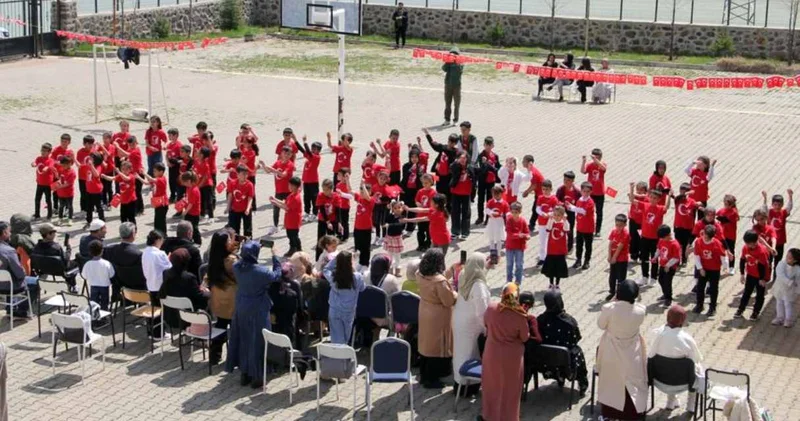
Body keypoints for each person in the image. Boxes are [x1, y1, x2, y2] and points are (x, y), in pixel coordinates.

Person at [226, 240, 282, 388]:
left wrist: (253, 248)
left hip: (241, 307)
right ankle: (257, 375)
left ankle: (245, 373)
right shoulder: (261, 272)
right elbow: (277, 275)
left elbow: (241, 260)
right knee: (258, 341)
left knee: (244, 338)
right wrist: (275, 256)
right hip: (258, 309)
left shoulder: (237, 267)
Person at [596, 279, 648, 420]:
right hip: (632, 350)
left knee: (611, 381)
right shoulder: (640, 310)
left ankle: (609, 415)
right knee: (632, 381)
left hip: (612, 350)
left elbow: (601, 325)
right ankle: (633, 412)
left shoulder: (609, 308)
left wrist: (612, 302)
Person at [480, 283, 531, 421]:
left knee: (491, 385)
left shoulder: (491, 308)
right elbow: (524, 337)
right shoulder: (519, 315)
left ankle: (489, 415)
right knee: (510, 389)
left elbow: (485, 323)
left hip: (492, 353)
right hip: (512, 357)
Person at [648, 304, 704, 412]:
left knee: (669, 365)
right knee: (696, 368)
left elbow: (650, 356)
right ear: (683, 321)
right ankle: (691, 405)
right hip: (684, 382)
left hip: (660, 381)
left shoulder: (658, 334)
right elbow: (696, 359)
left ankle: (671, 402)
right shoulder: (687, 339)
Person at [416, 248, 457, 388]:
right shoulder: (440, 282)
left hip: (425, 311)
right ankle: (431, 379)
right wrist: (455, 294)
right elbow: (448, 301)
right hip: (438, 316)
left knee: (426, 344)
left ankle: (424, 374)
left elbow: (436, 278)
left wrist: (451, 270)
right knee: (436, 346)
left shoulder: (420, 274)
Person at [452, 252, 491, 397]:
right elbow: (482, 311)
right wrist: (486, 327)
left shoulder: (464, 274)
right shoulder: (478, 285)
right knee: (471, 354)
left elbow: (477, 271)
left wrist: (487, 267)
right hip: (472, 323)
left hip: (459, 319)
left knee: (460, 353)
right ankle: (469, 386)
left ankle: (459, 383)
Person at [537, 289, 589, 394]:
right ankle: (582, 382)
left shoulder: (540, 320)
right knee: (577, 350)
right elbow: (576, 338)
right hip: (566, 361)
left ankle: (558, 377)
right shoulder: (568, 321)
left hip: (545, 361)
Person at [206, 230, 240, 364]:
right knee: (235, 331)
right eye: (229, 240)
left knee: (220, 327)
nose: (232, 242)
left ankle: (214, 356)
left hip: (218, 301)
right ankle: (234, 358)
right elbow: (240, 275)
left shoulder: (213, 258)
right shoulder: (231, 260)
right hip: (232, 302)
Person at [160, 248, 208, 332]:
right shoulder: (189, 277)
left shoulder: (166, 273)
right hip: (188, 317)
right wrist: (207, 292)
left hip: (171, 315)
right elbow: (198, 296)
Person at [323, 251, 366, 344]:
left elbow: (326, 269)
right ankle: (343, 351)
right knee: (346, 337)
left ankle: (337, 351)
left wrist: (337, 259)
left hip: (334, 309)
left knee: (336, 337)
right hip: (348, 311)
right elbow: (362, 288)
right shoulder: (357, 277)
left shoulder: (333, 277)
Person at [0, 221, 39, 317]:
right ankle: (21, 311)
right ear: (4, 233)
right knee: (36, 282)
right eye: (9, 231)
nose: (10, 234)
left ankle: (10, 308)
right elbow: (20, 274)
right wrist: (25, 272)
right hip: (9, 286)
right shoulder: (9, 251)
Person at [693, 225, 729, 316]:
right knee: (700, 287)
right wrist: (700, 268)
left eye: (708, 237)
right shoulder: (698, 242)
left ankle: (712, 307)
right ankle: (699, 305)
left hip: (714, 269)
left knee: (713, 289)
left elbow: (723, 256)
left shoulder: (717, 243)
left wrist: (725, 266)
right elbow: (696, 256)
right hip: (703, 268)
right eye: (704, 235)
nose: (705, 238)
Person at [735, 230, 771, 320]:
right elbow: (742, 260)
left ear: (754, 242)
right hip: (751, 274)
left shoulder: (762, 251)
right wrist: (742, 274)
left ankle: (756, 312)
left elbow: (762, 266)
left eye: (748, 243)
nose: (746, 245)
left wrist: (762, 279)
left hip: (761, 276)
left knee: (760, 295)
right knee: (747, 292)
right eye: (746, 243)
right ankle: (741, 309)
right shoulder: (745, 248)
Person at [32, 223, 78, 293]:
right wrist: (68, 248)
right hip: (60, 271)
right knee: (75, 264)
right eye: (54, 232)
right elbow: (66, 261)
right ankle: (73, 286)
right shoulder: (56, 248)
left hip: (44, 269)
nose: (55, 234)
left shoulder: (36, 247)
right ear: (48, 234)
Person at [142, 230, 171, 338]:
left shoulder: (145, 252)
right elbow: (169, 268)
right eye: (162, 240)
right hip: (159, 285)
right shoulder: (160, 253)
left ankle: (151, 332)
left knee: (153, 309)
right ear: (157, 240)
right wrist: (168, 258)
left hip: (150, 284)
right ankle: (159, 334)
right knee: (159, 311)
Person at [105, 222, 145, 291]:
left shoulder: (109, 250)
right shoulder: (138, 254)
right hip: (137, 289)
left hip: (118, 287)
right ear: (133, 234)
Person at [652, 225, 681, 308]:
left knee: (667, 282)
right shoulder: (661, 240)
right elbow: (659, 249)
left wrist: (668, 265)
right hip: (662, 265)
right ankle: (665, 294)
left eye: (663, 238)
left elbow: (676, 258)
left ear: (668, 235)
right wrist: (655, 257)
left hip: (670, 267)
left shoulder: (675, 244)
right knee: (661, 280)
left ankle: (668, 299)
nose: (662, 239)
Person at [770, 248, 800, 327]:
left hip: (789, 290)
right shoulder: (782, 263)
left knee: (788, 304)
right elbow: (780, 275)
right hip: (780, 287)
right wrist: (790, 282)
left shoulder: (797, 269)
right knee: (779, 302)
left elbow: (798, 280)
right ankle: (779, 318)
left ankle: (788, 320)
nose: (787, 258)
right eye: (787, 256)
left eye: (789, 258)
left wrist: (797, 289)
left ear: (795, 260)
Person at [81, 240, 115, 311]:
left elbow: (84, 276)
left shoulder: (87, 264)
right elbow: (112, 275)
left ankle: (94, 314)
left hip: (93, 286)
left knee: (94, 303)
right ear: (102, 251)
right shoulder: (106, 263)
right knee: (104, 303)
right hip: (105, 286)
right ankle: (104, 314)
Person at [581, 148, 607, 236]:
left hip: (600, 193)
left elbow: (603, 168)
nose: (595, 159)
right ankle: (588, 228)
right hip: (590, 193)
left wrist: (596, 160)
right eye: (594, 157)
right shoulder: (590, 165)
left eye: (598, 157)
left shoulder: (602, 164)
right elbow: (583, 171)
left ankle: (598, 230)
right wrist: (583, 161)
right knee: (588, 211)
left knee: (599, 212)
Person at [543, 205, 569, 288]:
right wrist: (550, 219)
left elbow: (567, 229)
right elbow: (548, 228)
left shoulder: (563, 223)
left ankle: (557, 284)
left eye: (558, 215)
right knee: (551, 268)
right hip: (552, 250)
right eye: (555, 215)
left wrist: (565, 220)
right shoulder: (552, 222)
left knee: (559, 268)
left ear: (562, 215)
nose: (556, 217)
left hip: (560, 250)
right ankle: (551, 283)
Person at [505, 202, 529, 284]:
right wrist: (519, 235)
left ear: (520, 212)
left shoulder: (523, 221)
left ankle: (518, 280)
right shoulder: (509, 220)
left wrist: (527, 236)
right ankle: (509, 280)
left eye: (516, 212)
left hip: (519, 246)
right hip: (510, 246)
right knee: (509, 264)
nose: (514, 214)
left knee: (519, 264)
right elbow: (509, 233)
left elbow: (527, 231)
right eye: (512, 212)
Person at [32, 142, 55, 220]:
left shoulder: (50, 160)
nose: (43, 152)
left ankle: (49, 215)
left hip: (47, 184)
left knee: (48, 200)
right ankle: (37, 214)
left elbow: (50, 166)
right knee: (37, 199)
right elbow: (35, 162)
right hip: (39, 183)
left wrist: (47, 167)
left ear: (49, 152)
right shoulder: (39, 158)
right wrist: (33, 164)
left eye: (45, 151)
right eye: (42, 150)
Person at [442, 46, 464, 126]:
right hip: (448, 85)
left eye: (455, 54)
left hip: (457, 86)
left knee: (456, 104)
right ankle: (447, 119)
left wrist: (456, 62)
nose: (453, 55)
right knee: (447, 104)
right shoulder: (448, 62)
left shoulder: (460, 62)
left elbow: (460, 71)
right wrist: (448, 61)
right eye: (452, 54)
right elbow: (443, 69)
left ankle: (455, 120)